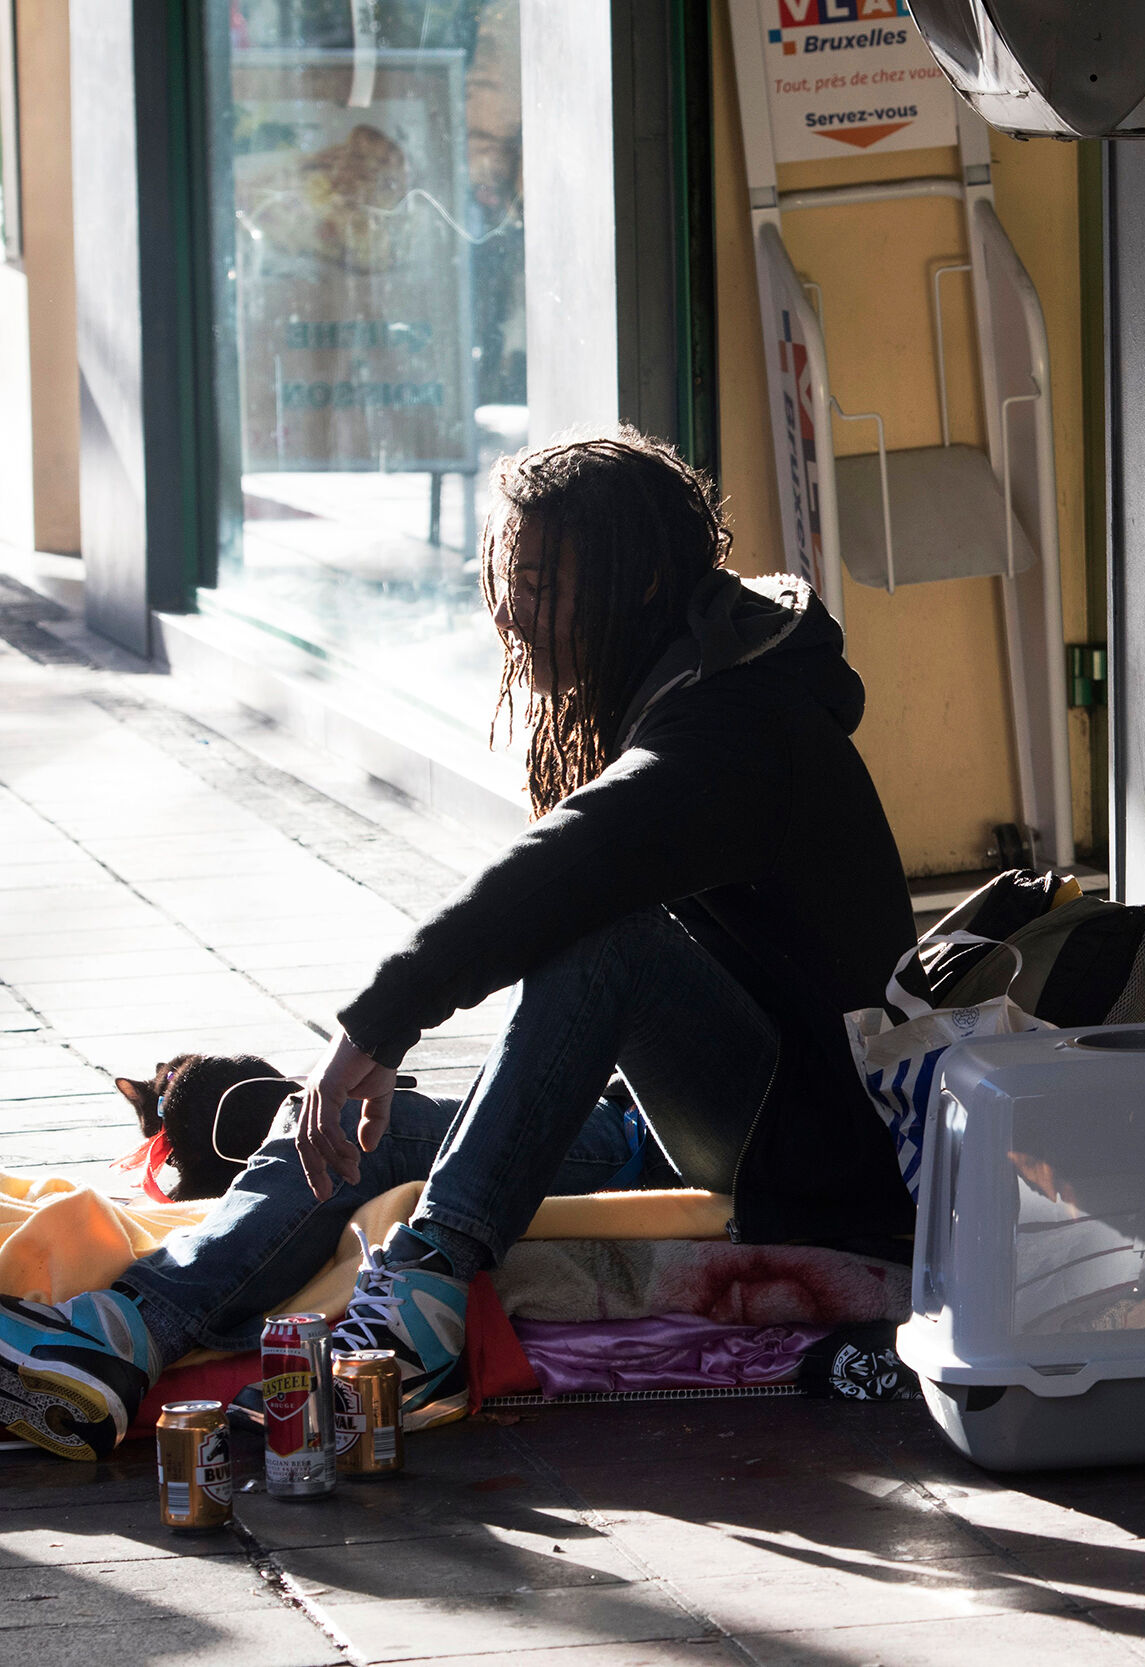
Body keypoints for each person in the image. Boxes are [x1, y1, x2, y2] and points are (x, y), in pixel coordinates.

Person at [0, 430, 918, 1461]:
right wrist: (358, 1070)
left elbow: (563, 866)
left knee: (599, 932)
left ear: (643, 580)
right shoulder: (692, 676)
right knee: (350, 1132)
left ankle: (424, 1296)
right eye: (507, 579)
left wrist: (373, 1027)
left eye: (540, 583)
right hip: (677, 1120)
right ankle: (125, 1331)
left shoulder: (739, 723)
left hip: (812, 1151)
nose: (511, 612)